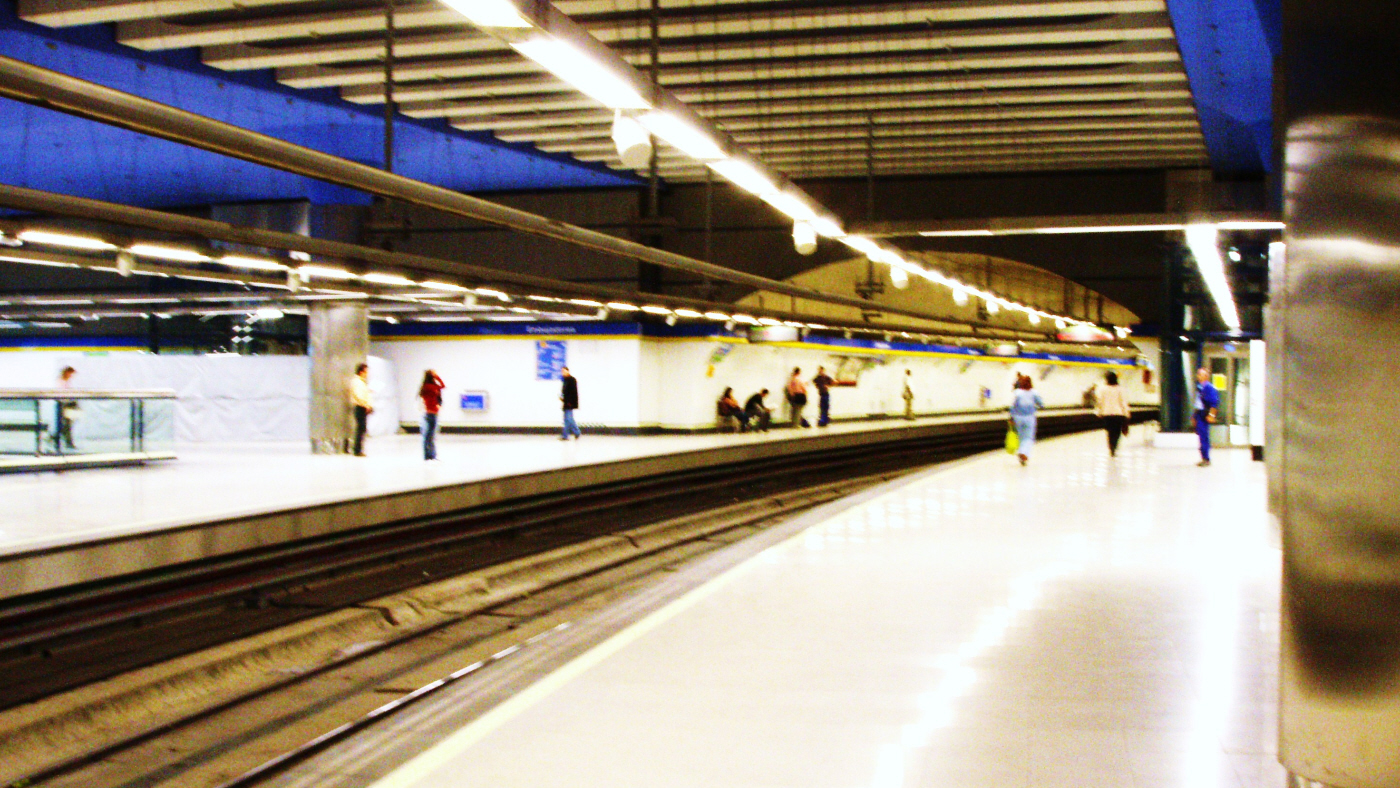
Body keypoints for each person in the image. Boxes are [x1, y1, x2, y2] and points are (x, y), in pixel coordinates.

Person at [1009, 375, 1044, 466]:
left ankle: (1021, 453)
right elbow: (1041, 404)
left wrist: (1011, 417)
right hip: (1029, 418)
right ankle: (1023, 453)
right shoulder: (1034, 392)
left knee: (1021, 437)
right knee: (1028, 438)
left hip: (1018, 418)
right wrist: (1036, 405)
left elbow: (1013, 406)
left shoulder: (1017, 393)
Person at [1095, 370, 1130, 457]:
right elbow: (1123, 402)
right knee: (1117, 432)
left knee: (1110, 432)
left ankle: (1111, 448)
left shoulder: (1102, 389)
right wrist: (1127, 413)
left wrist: (1098, 412)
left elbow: (1100, 402)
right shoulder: (1120, 389)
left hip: (1107, 414)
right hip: (1119, 414)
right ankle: (1114, 446)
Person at [1194, 367, 1220, 466]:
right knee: (1201, 436)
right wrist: (1194, 416)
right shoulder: (1200, 387)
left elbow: (1214, 403)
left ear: (1206, 376)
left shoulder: (1209, 388)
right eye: (1198, 374)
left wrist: (1211, 415)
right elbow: (1198, 402)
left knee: (1204, 436)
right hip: (1199, 413)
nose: (1198, 376)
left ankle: (1206, 458)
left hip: (1205, 414)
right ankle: (1203, 457)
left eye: (1200, 374)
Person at [419, 369, 445, 460]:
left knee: (427, 436)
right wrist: (438, 378)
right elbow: (442, 386)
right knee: (430, 436)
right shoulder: (432, 387)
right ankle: (431, 455)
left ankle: (428, 455)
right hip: (432, 413)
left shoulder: (424, 387)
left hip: (427, 412)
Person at [350, 362, 373, 457]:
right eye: (366, 371)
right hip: (360, 407)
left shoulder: (361, 382)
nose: (367, 374)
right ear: (361, 372)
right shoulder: (357, 382)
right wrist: (366, 405)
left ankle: (358, 449)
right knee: (360, 429)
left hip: (363, 407)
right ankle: (357, 450)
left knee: (362, 429)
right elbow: (358, 396)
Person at [54, 366, 77, 452]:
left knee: (68, 424)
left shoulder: (68, 381)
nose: (71, 376)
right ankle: (56, 440)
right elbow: (60, 393)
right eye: (70, 374)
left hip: (68, 404)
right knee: (62, 424)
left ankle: (68, 442)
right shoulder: (60, 381)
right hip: (62, 404)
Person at [560, 366, 581, 440]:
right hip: (566, 402)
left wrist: (570, 402)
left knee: (568, 419)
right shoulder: (565, 380)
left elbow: (573, 392)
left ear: (568, 371)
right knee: (568, 419)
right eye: (562, 371)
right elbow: (564, 392)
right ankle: (575, 433)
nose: (563, 373)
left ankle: (567, 435)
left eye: (564, 371)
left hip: (570, 403)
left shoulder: (572, 380)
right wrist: (562, 398)